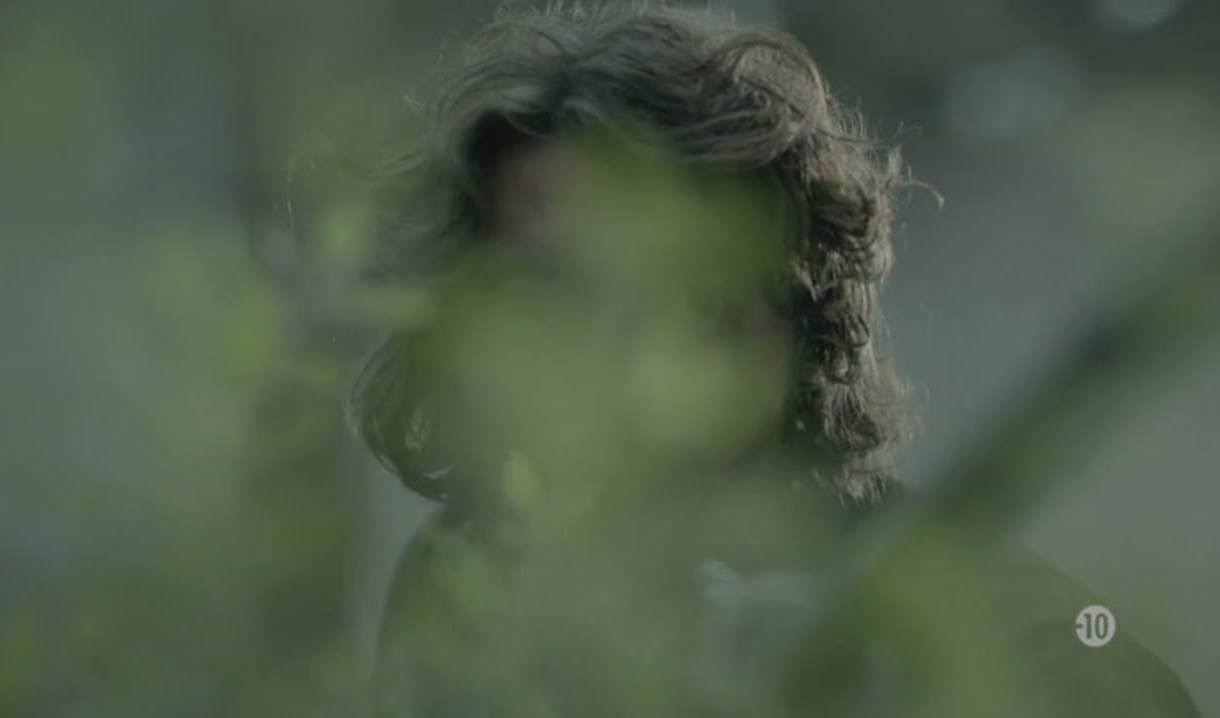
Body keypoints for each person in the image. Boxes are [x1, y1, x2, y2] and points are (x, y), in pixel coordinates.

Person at [347, 3, 1201, 716]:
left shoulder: (1028, 658)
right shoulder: (469, 577)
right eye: (556, 294)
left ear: (790, 324)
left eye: (680, 291)